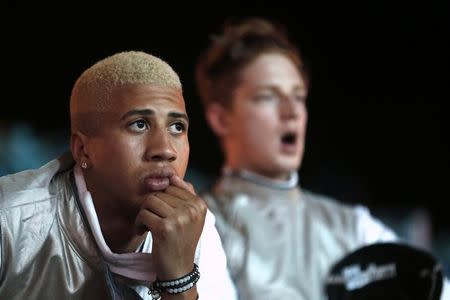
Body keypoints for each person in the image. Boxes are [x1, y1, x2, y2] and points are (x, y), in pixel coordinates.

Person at [194, 17, 449, 300]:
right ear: (220, 118)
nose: (291, 112)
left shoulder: (352, 226)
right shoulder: (197, 228)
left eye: (299, 96)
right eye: (268, 96)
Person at [0, 51, 237, 300]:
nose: (165, 150)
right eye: (139, 124)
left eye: (177, 127)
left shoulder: (194, 227)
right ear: (83, 149)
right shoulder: (10, 221)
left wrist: (179, 280)